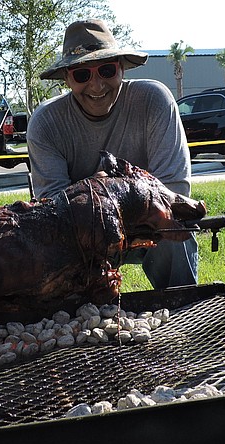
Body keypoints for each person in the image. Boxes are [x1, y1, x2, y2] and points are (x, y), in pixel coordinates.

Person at [27, 18, 198, 289]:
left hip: (151, 227)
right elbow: (53, 212)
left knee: (175, 229)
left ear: (121, 69)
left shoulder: (154, 100)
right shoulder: (46, 123)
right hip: (82, 236)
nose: (96, 86)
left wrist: (98, 193)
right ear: (67, 78)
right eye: (82, 75)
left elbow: (175, 190)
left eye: (106, 70)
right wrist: (121, 197)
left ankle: (181, 309)